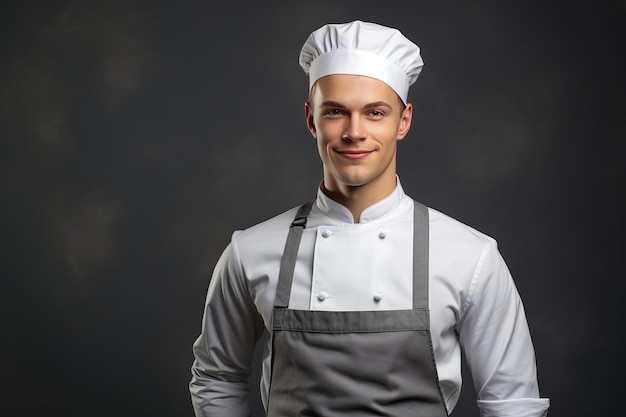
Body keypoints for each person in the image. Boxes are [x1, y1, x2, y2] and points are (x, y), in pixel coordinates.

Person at [189, 20, 550, 417]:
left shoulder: (471, 256)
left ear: (404, 120)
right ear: (312, 120)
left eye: (375, 112)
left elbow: (513, 404)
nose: (354, 132)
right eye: (336, 112)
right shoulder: (249, 251)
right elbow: (216, 377)